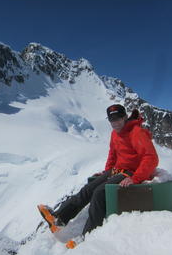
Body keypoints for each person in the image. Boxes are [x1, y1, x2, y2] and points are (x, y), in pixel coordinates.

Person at [38, 104, 159, 249]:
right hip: (117, 170)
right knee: (88, 189)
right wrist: (106, 173)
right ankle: (59, 219)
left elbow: (151, 157)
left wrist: (136, 177)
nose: (115, 122)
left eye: (118, 118)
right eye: (112, 119)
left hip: (132, 172)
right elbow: (113, 155)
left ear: (125, 117)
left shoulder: (137, 132)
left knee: (99, 193)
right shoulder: (115, 134)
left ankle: (87, 236)